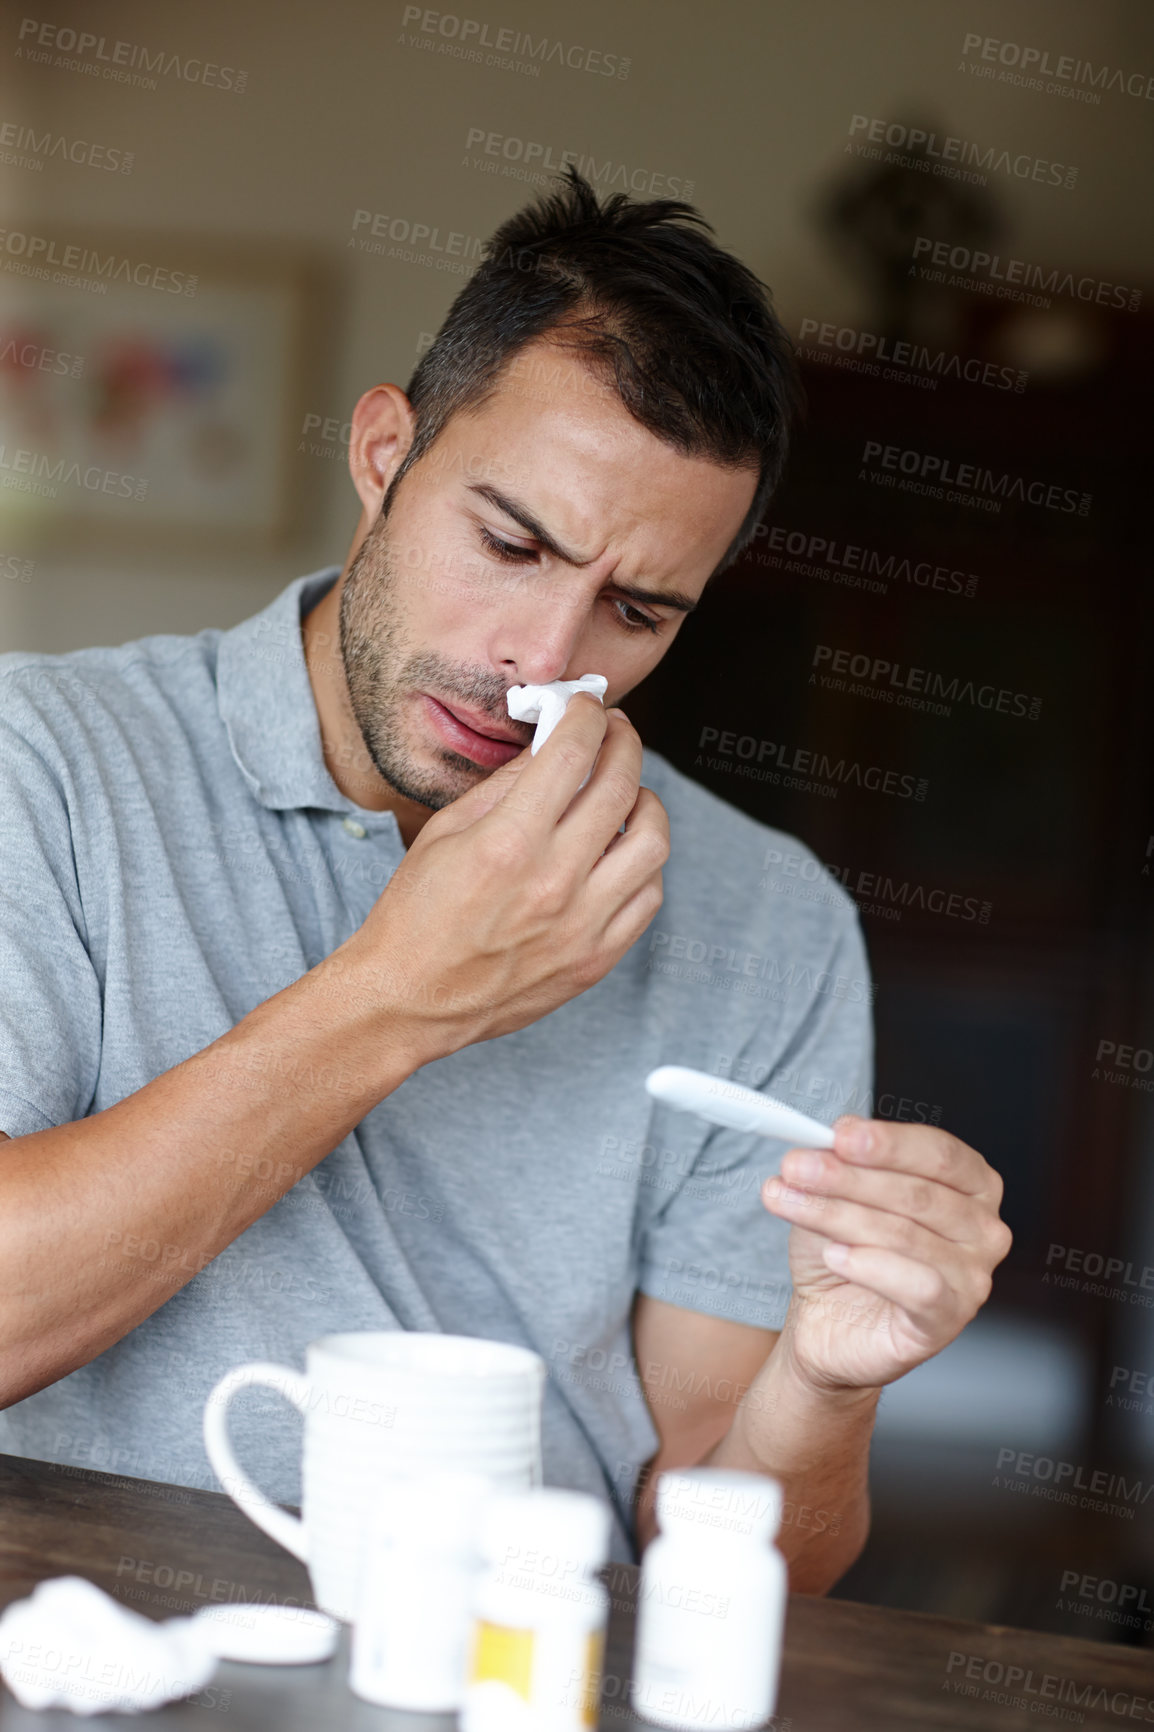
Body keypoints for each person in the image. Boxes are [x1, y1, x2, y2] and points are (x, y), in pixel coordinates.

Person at [0, 168, 1009, 1587]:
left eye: (638, 607)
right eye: (510, 543)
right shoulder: (39, 762)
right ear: (380, 452)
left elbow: (736, 1550)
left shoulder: (766, 918)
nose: (545, 657)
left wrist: (827, 1391)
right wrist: (401, 996)